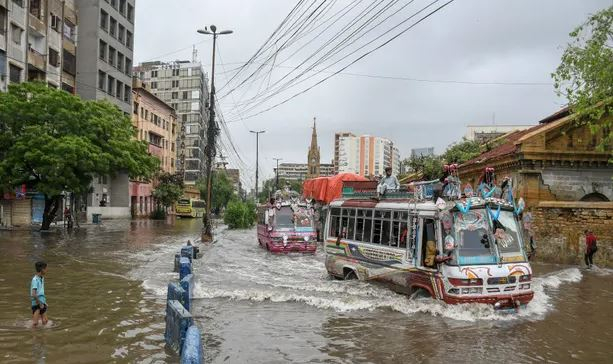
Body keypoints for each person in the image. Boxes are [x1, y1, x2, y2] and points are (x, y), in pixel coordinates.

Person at [31, 261, 48, 327]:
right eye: (46, 268)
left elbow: (41, 291)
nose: (46, 270)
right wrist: (39, 303)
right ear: (42, 269)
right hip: (36, 303)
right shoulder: (35, 280)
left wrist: (44, 302)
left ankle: (42, 335)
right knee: (35, 323)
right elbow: (33, 294)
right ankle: (34, 336)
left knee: (45, 321)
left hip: (42, 301)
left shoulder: (42, 278)